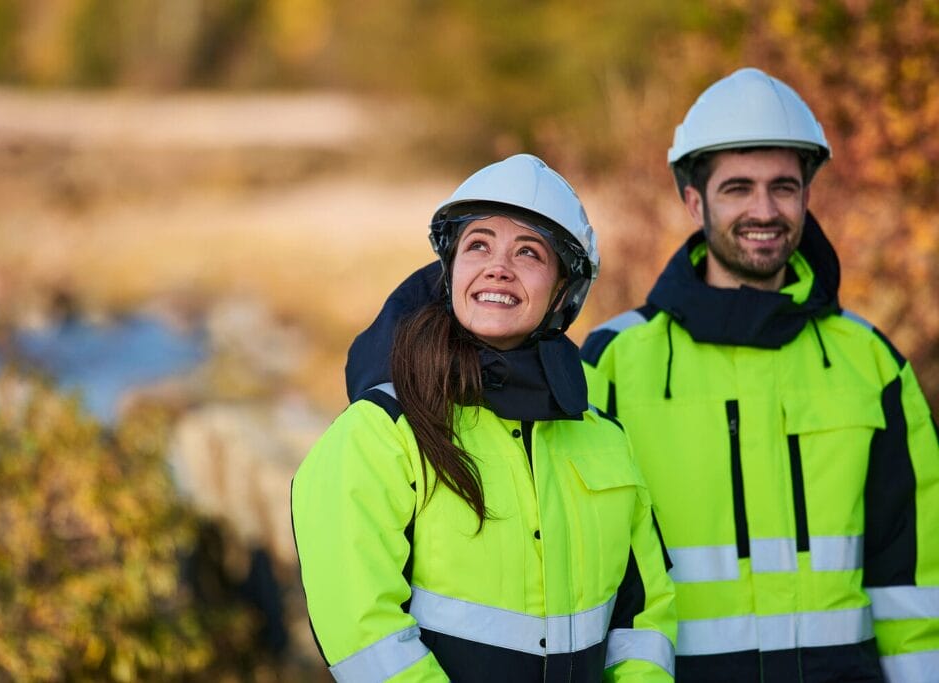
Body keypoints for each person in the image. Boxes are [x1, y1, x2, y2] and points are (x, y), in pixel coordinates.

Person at [580, 67, 939, 683]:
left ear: (806, 196)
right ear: (694, 201)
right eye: (738, 188)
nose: (764, 210)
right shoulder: (614, 363)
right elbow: (582, 568)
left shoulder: (870, 359)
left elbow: (913, 576)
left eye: (783, 187)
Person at [293, 153, 676, 682]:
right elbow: (363, 635)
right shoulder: (378, 432)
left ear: (563, 290)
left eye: (529, 252)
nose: (499, 266)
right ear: (450, 272)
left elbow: (644, 616)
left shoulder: (604, 439)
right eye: (478, 245)